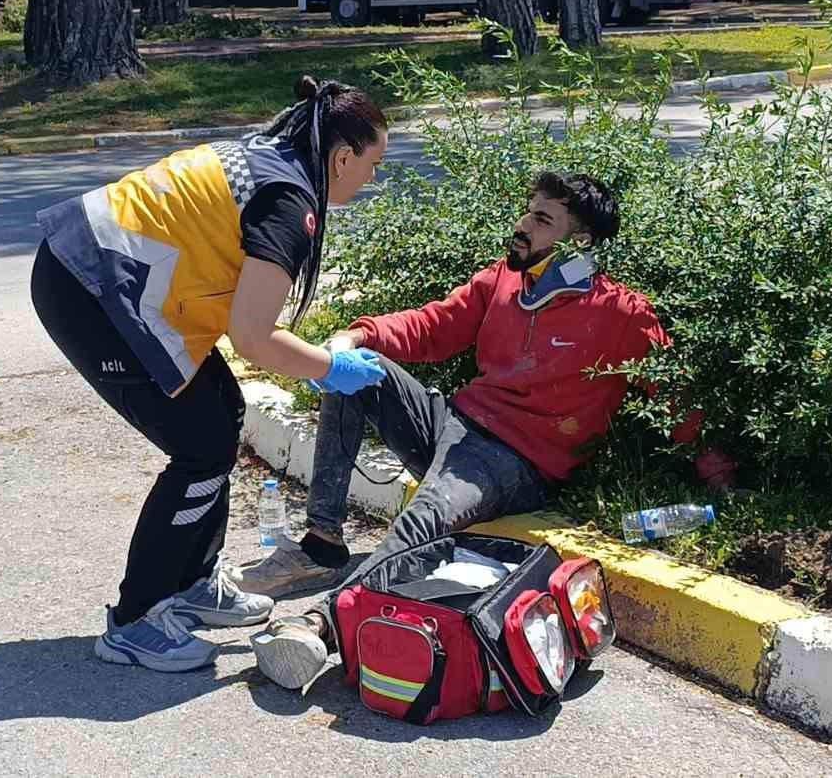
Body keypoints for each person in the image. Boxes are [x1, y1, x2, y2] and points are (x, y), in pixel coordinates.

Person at [239, 171, 735, 690]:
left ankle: (321, 627)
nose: (522, 225)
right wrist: (356, 336)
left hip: (515, 462)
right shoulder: (503, 279)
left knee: (424, 517)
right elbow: (434, 324)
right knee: (357, 372)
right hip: (454, 425)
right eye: (528, 210)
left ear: (579, 241)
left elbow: (673, 397)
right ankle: (323, 545)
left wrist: (718, 474)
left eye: (542, 219)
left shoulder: (621, 313)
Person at [30, 77, 391, 673]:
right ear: (343, 157)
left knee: (224, 413)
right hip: (88, 289)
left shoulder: (277, 156)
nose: (371, 179)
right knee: (200, 449)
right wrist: (331, 368)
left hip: (112, 281)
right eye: (372, 165)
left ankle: (194, 583)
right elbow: (254, 336)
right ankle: (135, 620)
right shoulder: (289, 203)